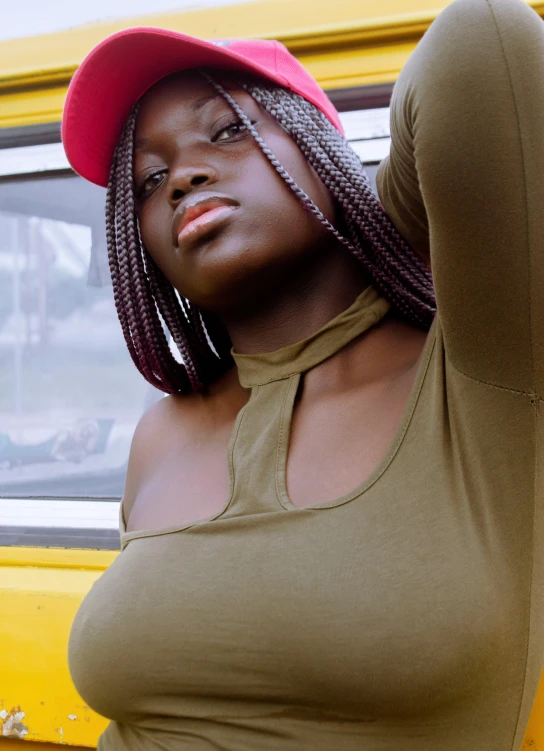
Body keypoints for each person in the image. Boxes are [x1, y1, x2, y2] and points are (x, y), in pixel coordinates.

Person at [61, 0, 544, 747]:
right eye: (149, 180)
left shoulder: (481, 368)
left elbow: (485, 37)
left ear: (323, 149)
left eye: (228, 130)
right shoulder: (161, 432)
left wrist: (370, 238)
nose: (184, 176)